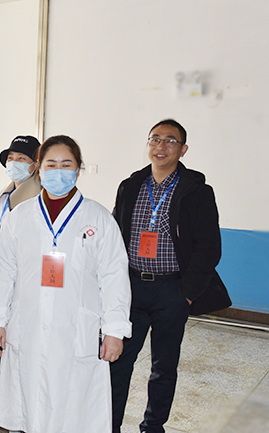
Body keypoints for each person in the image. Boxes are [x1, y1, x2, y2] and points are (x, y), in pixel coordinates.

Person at [0, 135, 132, 433]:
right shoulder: (19, 216)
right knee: (30, 401)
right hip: (28, 326)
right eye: (51, 164)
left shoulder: (98, 218)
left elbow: (114, 277)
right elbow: (2, 272)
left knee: (74, 407)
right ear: (39, 169)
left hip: (77, 329)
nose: (59, 171)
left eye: (67, 164)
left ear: (78, 169)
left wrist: (115, 331)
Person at [110, 119, 231, 433]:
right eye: (155, 139)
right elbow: (114, 236)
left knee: (163, 368)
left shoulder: (197, 191)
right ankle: (108, 424)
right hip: (131, 287)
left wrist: (186, 293)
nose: (161, 146)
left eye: (170, 141)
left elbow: (209, 248)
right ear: (148, 144)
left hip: (172, 290)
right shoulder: (130, 186)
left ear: (183, 149)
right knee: (117, 362)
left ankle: (153, 426)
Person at [0, 134, 42, 428]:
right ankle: (5, 408)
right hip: (2, 283)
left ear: (35, 164)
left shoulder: (39, 198)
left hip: (27, 287)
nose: (14, 163)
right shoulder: (4, 196)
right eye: (11, 158)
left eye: (22, 159)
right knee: (3, 347)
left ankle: (28, 411)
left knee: (27, 352)